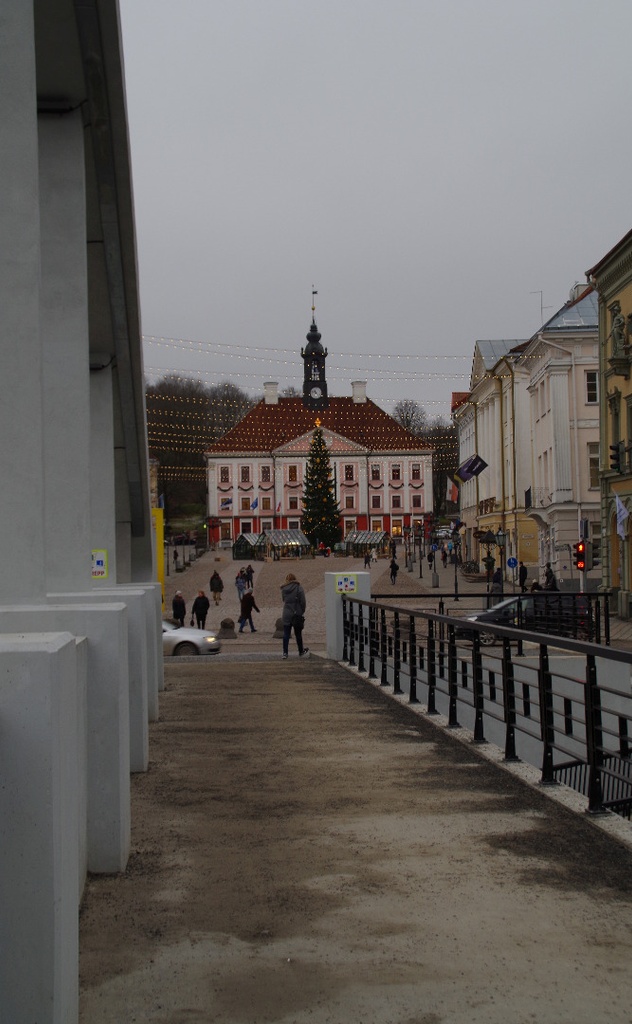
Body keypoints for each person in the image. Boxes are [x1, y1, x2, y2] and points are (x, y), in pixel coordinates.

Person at [280, 572, 308, 659]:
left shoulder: (284, 589)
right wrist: (301, 611)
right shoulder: (299, 588)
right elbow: (303, 601)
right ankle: (301, 651)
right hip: (296, 612)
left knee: (286, 634)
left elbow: (284, 600)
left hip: (287, 612)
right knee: (298, 634)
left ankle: (285, 652)